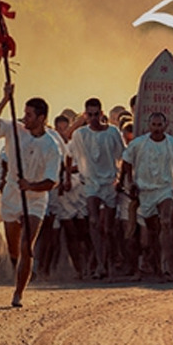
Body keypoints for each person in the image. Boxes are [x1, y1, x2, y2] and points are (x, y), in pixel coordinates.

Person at [0, 83, 62, 307]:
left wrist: (31, 185)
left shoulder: (51, 146)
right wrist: (5, 99)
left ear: (41, 118)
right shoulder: (15, 129)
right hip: (11, 195)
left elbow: (51, 181)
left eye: (29, 115)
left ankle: (18, 292)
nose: (24, 118)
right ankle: (18, 265)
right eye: (24, 113)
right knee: (14, 247)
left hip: (35, 199)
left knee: (28, 245)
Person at [118, 112, 173, 281]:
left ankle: (168, 267)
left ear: (165, 126)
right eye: (154, 125)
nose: (157, 129)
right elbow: (127, 161)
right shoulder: (138, 144)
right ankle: (158, 268)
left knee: (166, 222)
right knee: (152, 232)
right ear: (149, 126)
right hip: (146, 192)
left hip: (166, 189)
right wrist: (131, 182)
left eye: (160, 125)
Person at [68, 97, 125, 278]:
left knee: (108, 228)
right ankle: (100, 264)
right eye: (89, 114)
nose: (93, 118)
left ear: (101, 114)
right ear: (85, 115)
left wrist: (122, 180)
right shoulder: (80, 134)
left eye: (95, 114)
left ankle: (110, 260)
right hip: (91, 182)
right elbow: (69, 152)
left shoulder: (113, 132)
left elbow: (124, 157)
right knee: (93, 221)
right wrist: (68, 175)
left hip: (109, 183)